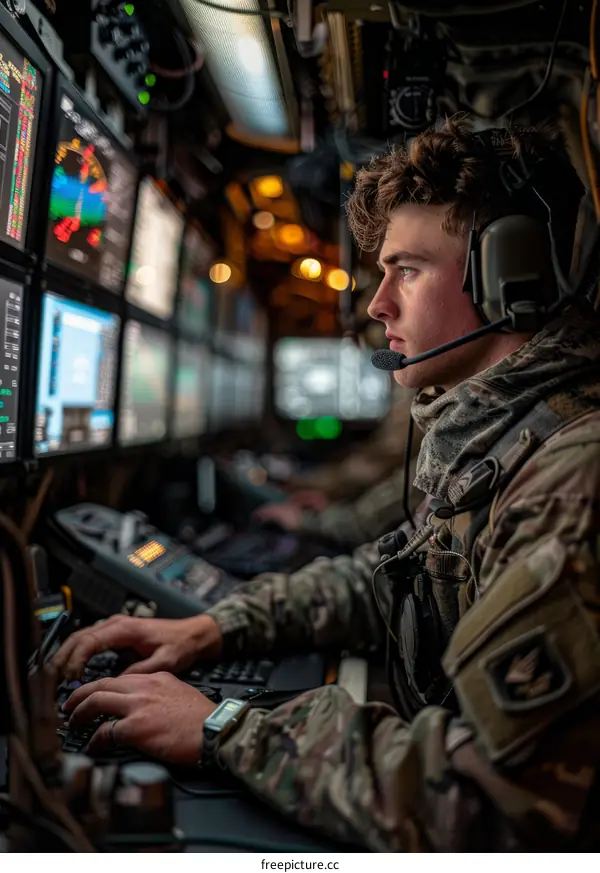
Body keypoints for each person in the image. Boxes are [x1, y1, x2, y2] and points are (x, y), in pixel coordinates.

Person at [53, 115, 600, 851]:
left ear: (509, 279)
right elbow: (391, 574)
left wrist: (228, 727)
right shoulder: (504, 438)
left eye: (406, 268)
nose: (378, 305)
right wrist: (217, 625)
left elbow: (494, 804)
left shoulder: (569, 481)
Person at [253, 383, 422, 544]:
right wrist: (326, 493)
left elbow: (365, 522)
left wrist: (306, 520)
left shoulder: (420, 409)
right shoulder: (415, 401)